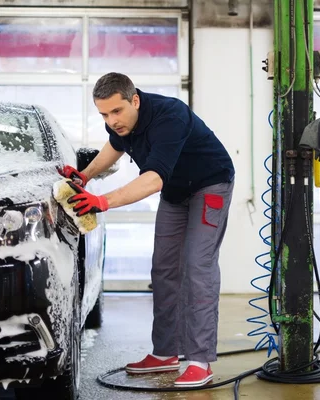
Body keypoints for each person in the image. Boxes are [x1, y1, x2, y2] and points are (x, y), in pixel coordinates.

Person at [58, 72, 235, 387]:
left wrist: (102, 200)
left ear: (134, 100)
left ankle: (199, 361)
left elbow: (153, 179)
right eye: (104, 114)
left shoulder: (170, 117)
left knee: (197, 266)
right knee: (163, 269)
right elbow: (113, 147)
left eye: (116, 111)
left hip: (210, 185)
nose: (112, 120)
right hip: (176, 193)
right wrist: (84, 176)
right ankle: (165, 353)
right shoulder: (121, 125)